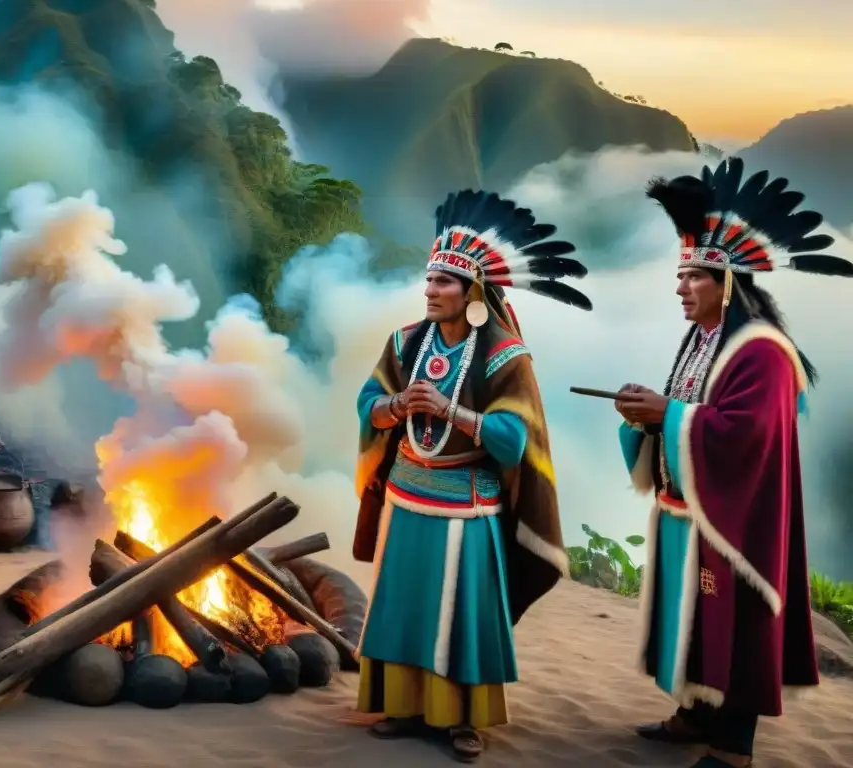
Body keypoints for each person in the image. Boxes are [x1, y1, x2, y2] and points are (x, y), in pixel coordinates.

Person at [614, 158, 853, 767]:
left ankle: (733, 746)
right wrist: (647, 418)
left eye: (692, 274)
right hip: (688, 513)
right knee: (693, 624)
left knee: (738, 624)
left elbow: (746, 436)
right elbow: (690, 409)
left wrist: (666, 414)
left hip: (737, 521)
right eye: (680, 273)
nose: (680, 287)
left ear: (726, 280)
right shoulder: (703, 338)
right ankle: (695, 714)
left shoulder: (763, 351)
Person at [353, 189, 593, 762]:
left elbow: (515, 442)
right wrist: (394, 408)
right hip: (408, 499)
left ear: (474, 292)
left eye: (445, 282)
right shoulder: (406, 341)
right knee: (406, 607)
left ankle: (464, 719)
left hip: (469, 505)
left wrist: (449, 410)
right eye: (429, 279)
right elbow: (368, 401)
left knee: (462, 614)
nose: (431, 290)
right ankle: (405, 706)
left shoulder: (505, 356)